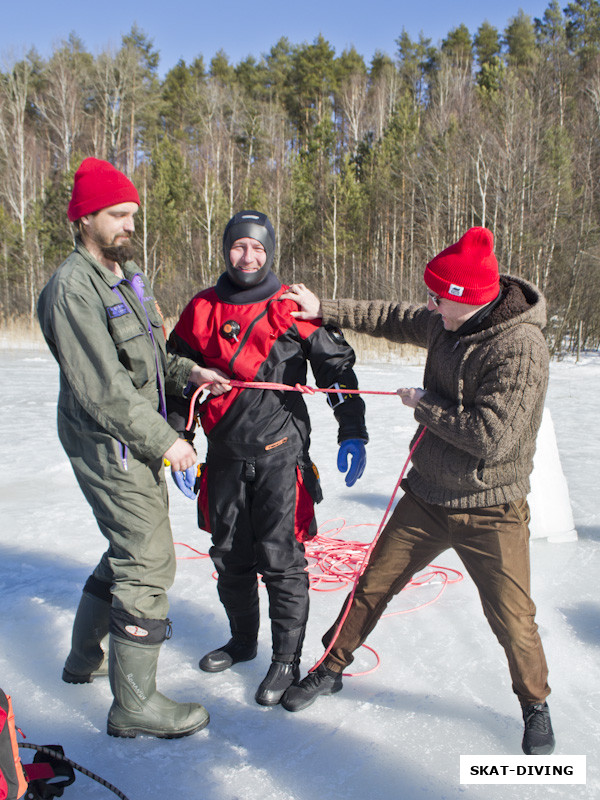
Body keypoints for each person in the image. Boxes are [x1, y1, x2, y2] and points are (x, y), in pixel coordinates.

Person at [279, 226, 555, 756]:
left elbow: (493, 437)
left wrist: (423, 405)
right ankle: (331, 666)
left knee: (513, 618)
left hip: (490, 507)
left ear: (467, 300)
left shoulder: (521, 347)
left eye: (438, 298)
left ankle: (534, 703)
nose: (429, 305)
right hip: (427, 493)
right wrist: (323, 308)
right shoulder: (451, 320)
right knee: (372, 584)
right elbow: (393, 316)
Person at [37, 157, 213, 739]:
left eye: (132, 215)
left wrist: (192, 374)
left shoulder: (125, 277)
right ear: (85, 218)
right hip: (109, 441)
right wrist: (168, 442)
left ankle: (83, 659)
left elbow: (152, 362)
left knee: (129, 546)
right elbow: (104, 389)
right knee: (147, 559)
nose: (128, 225)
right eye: (117, 215)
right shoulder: (71, 288)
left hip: (135, 436)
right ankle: (133, 706)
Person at [166, 210, 368, 706]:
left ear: (270, 251)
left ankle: (285, 660)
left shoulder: (291, 306)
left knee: (281, 561)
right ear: (226, 250)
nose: (248, 255)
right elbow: (174, 378)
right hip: (225, 457)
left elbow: (336, 369)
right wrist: (181, 438)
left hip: (281, 455)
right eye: (238, 246)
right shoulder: (201, 310)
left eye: (257, 247)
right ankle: (241, 641)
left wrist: (352, 431)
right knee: (230, 558)